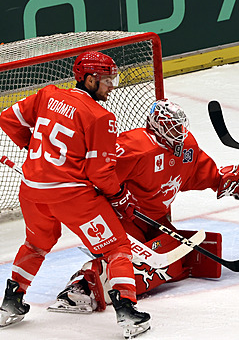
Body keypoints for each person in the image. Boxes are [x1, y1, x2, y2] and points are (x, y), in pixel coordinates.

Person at [47, 99, 239, 314]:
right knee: (149, 267)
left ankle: (110, 275)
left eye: (180, 127)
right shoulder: (134, 146)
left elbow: (199, 174)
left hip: (154, 219)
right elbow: (97, 175)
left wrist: (225, 180)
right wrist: (112, 199)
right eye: (172, 128)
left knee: (175, 263)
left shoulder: (188, 147)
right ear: (157, 127)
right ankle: (80, 285)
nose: (179, 134)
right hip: (120, 218)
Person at [0, 52, 151, 338]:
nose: (112, 86)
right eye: (107, 80)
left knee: (35, 244)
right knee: (116, 247)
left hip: (32, 192)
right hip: (71, 196)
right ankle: (127, 311)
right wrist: (119, 197)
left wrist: (34, 147)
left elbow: (8, 119)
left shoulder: (47, 95)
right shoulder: (100, 117)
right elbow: (100, 174)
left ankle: (11, 302)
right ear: (91, 79)